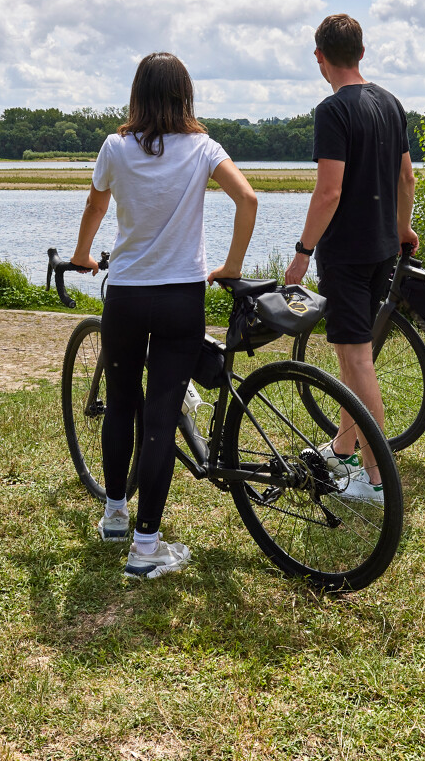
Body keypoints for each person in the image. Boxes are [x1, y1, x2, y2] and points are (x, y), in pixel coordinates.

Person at [71, 52, 258, 580]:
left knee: (120, 404)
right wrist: (231, 265)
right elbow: (247, 200)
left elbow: (95, 206)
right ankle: (146, 545)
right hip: (180, 299)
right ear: (185, 94)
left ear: (137, 94)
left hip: (127, 296)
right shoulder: (203, 148)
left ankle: (113, 515)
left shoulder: (115, 147)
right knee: (160, 419)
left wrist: (85, 254)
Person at [283, 13, 416, 504]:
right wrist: (402, 229)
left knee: (357, 359)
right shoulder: (391, 102)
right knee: (350, 353)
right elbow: (407, 178)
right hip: (383, 248)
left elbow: (329, 192)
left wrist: (301, 254)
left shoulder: (332, 111)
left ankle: (378, 480)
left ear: (320, 58)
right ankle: (343, 445)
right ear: (361, 52)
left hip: (347, 254)